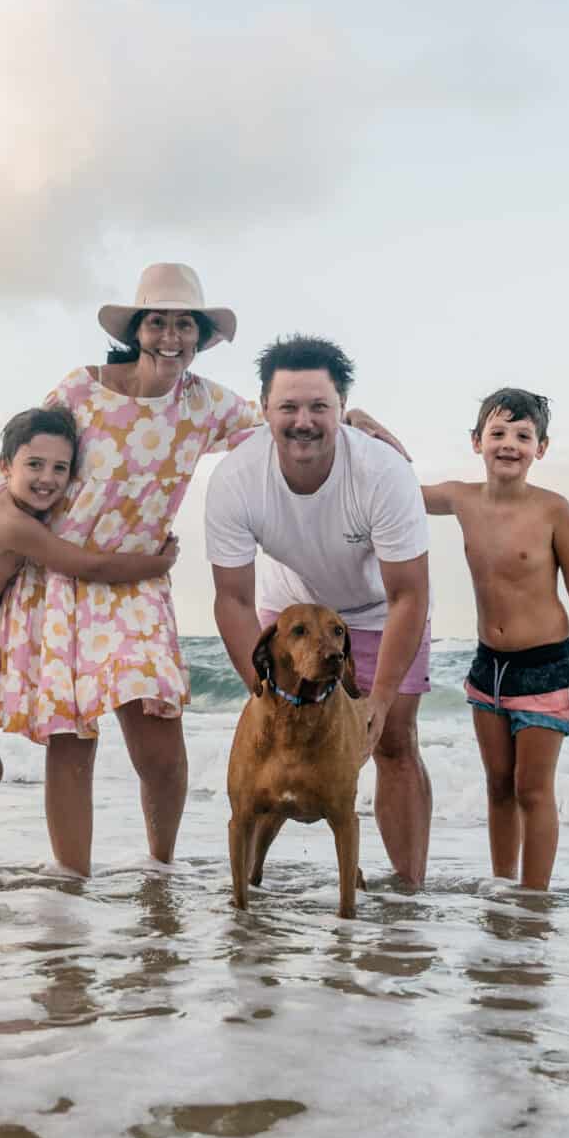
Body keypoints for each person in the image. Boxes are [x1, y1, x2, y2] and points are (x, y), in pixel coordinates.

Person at [0, 264, 407, 875]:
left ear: (201, 336)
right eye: (158, 322)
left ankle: (160, 870)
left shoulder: (204, 402)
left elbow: (285, 422)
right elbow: (19, 467)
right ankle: (71, 883)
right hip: (63, 578)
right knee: (71, 743)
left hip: (139, 583)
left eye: (185, 325)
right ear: (137, 329)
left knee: (161, 743)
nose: (171, 336)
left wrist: (354, 420)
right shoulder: (81, 390)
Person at [0, 405, 179, 886]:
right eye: (34, 464)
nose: (47, 478)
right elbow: (87, 566)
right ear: (5, 466)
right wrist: (158, 564)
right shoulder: (11, 523)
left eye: (60, 468)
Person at [206, 335, 436, 890]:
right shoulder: (237, 478)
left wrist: (380, 699)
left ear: (341, 408)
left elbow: (409, 595)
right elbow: (232, 599)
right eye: (288, 406)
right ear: (265, 409)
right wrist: (259, 685)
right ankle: (249, 889)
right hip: (292, 611)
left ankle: (407, 897)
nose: (303, 421)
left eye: (318, 406)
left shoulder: (383, 473)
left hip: (379, 611)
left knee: (394, 741)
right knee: (278, 746)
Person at [422, 388, 569, 890]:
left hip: (544, 666)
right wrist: (364, 433)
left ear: (540, 449)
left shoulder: (553, 510)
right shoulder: (461, 498)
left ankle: (534, 899)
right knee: (498, 786)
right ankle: (502, 890)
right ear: (476, 441)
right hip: (489, 668)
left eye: (523, 436)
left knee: (532, 790)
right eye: (498, 432)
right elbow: (399, 490)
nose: (509, 444)